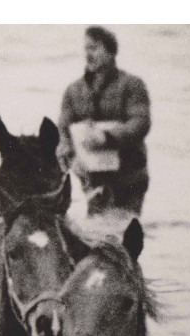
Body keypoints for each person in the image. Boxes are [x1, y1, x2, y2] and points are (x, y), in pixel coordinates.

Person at [57, 26, 151, 219]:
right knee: (98, 235)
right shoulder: (73, 91)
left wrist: (106, 137)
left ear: (111, 51)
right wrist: (70, 159)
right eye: (86, 49)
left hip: (129, 176)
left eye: (94, 48)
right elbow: (62, 133)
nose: (88, 54)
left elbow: (141, 123)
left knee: (125, 236)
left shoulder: (132, 85)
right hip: (93, 179)